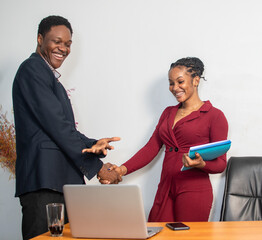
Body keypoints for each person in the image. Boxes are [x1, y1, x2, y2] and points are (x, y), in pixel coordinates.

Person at [12, 15, 121, 240]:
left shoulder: (53, 81)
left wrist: (93, 145)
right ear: (40, 39)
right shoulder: (32, 69)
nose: (63, 48)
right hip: (45, 183)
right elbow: (58, 127)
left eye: (68, 44)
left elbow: (63, 128)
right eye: (57, 41)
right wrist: (97, 166)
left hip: (62, 185)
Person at [103, 57, 228, 222]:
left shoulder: (214, 116)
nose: (175, 88)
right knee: (156, 232)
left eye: (180, 81)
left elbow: (221, 164)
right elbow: (151, 148)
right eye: (171, 83)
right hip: (166, 187)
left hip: (194, 189)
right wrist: (121, 170)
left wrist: (201, 164)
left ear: (196, 80)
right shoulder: (168, 113)